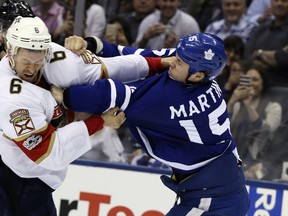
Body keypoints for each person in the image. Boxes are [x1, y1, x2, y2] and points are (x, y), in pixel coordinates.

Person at [51, 33, 250, 216]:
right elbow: (139, 56)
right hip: (219, 185)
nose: (172, 61)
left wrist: (65, 96)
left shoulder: (171, 99)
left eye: (179, 62)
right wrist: (93, 45)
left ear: (197, 75)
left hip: (215, 200)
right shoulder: (194, 69)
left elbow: (107, 96)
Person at [0, 15, 125, 215]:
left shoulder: (53, 68)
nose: (32, 68)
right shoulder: (11, 94)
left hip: (28, 178)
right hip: (20, 178)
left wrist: (81, 48)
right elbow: (50, 152)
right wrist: (100, 121)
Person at [227, 64, 282, 180]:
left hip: (261, 161)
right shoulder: (237, 105)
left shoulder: (273, 107)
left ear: (263, 83)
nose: (251, 83)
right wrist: (231, 102)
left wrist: (248, 106)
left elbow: (265, 132)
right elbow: (223, 129)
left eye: (255, 80)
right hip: (233, 158)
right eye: (248, 79)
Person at [244, 0, 288, 87]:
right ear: (271, 4)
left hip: (281, 86)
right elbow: (246, 57)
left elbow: (284, 59)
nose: (279, 4)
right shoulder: (259, 29)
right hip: (251, 85)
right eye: (276, 0)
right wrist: (272, 58)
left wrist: (258, 54)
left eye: (284, 1)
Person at [134, 0, 200, 49]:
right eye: (164, 0)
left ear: (179, 2)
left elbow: (195, 54)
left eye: (172, 1)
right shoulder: (148, 21)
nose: (168, 4)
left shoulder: (189, 24)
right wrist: (145, 38)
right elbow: (136, 51)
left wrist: (176, 48)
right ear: (157, 2)